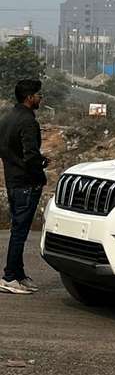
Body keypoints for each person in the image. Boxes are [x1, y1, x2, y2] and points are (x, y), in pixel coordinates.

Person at [0, 79, 47, 294]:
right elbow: (30, 156)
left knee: (18, 229)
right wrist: (40, 175)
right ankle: (10, 277)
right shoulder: (28, 121)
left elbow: (11, 151)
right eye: (38, 95)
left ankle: (18, 274)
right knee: (19, 232)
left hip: (13, 180)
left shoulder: (7, 118)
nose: (40, 98)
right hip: (26, 184)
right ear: (29, 97)